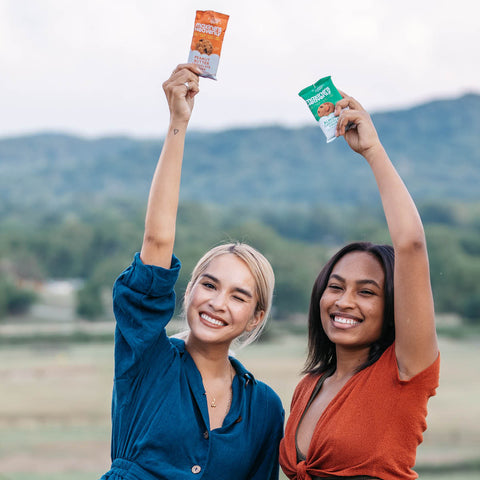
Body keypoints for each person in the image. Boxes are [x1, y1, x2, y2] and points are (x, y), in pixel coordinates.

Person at [99, 63, 284, 480]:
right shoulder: (145, 360)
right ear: (189, 291)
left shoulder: (265, 408)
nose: (217, 303)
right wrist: (177, 124)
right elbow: (158, 243)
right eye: (210, 284)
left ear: (257, 317)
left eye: (239, 296)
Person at [279, 93, 440, 480]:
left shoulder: (405, 372)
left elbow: (412, 246)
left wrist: (372, 150)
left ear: (392, 307)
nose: (344, 302)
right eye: (336, 287)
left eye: (366, 292)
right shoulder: (310, 386)